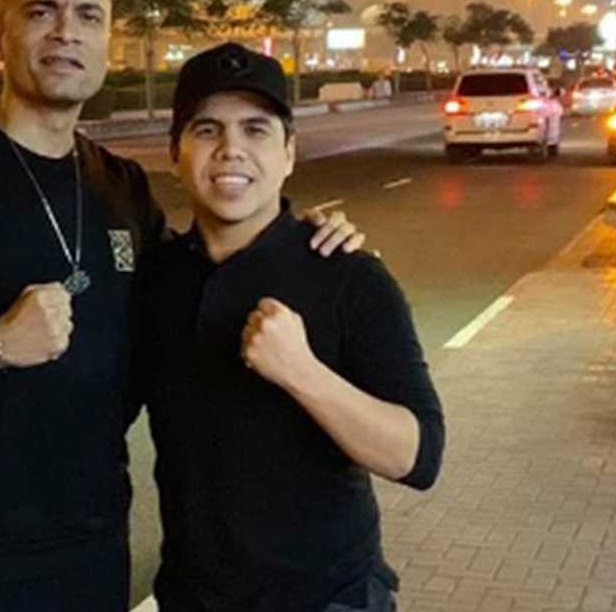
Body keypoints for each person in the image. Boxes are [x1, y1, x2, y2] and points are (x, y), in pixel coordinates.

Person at [0, 0, 363, 610]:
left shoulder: (121, 186)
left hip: (99, 551)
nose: (65, 32)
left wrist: (307, 244)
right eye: (41, 11)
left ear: (106, 39)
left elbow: (200, 289)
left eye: (87, 15)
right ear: (1, 32)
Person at [133, 43, 445, 612]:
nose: (231, 150)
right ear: (176, 152)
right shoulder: (156, 280)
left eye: (256, 130)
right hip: (192, 597)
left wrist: (303, 373)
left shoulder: (347, 275)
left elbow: (417, 457)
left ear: (289, 153)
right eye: (207, 130)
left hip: (328, 597)